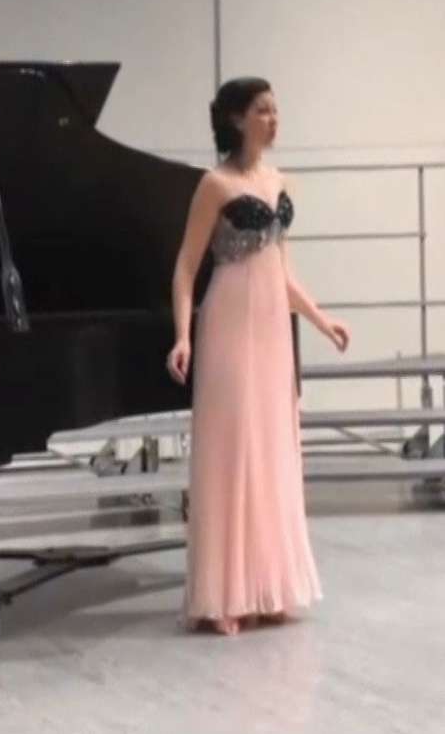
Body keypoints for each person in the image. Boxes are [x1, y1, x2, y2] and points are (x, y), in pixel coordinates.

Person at [167, 77, 350, 636]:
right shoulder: (214, 184)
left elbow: (282, 271)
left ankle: (268, 586)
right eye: (263, 111)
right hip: (228, 319)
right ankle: (224, 595)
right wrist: (183, 336)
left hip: (272, 325)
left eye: (275, 110)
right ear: (236, 119)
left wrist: (320, 319)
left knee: (271, 448)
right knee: (232, 448)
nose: (274, 119)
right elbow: (185, 268)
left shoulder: (277, 180)